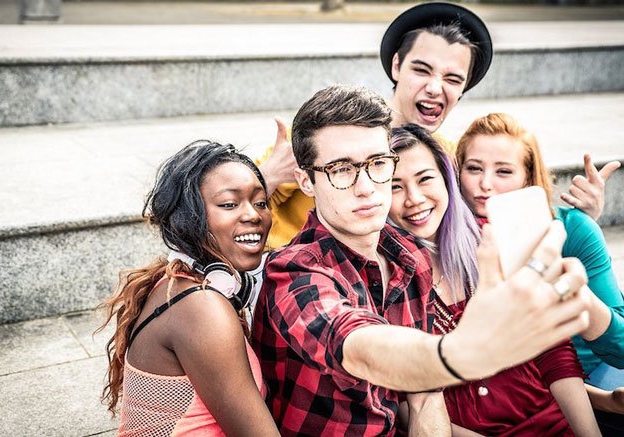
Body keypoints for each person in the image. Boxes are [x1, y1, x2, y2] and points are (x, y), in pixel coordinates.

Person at [252, 84, 591, 436]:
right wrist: (459, 353)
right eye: (341, 169)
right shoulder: (293, 272)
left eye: (378, 164)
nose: (366, 186)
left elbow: (425, 398)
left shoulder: (409, 255)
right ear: (306, 181)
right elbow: (358, 346)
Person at [257, 2, 613, 250]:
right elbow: (235, 214)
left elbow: (504, 214)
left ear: (462, 90)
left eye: (452, 78)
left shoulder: (447, 154)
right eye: (422, 70)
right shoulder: (327, 137)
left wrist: (583, 220)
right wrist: (269, 176)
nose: (434, 87)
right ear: (397, 66)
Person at [388, 123, 599, 436]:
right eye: (395, 186)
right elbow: (402, 404)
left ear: (447, 179)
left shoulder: (494, 239)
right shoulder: (381, 279)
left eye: (425, 179)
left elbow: (552, 350)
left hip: (550, 420)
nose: (414, 198)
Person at [456, 112, 624, 432]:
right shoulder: (453, 239)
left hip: (583, 376)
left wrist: (581, 300)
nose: (485, 184)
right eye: (474, 168)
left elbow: (621, 348)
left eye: (504, 171)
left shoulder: (573, 229)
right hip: (518, 394)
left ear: (528, 177)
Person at [98, 141, 279, 436]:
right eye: (229, 204)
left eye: (260, 202)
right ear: (189, 218)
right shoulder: (202, 308)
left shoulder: (179, 282)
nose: (254, 215)